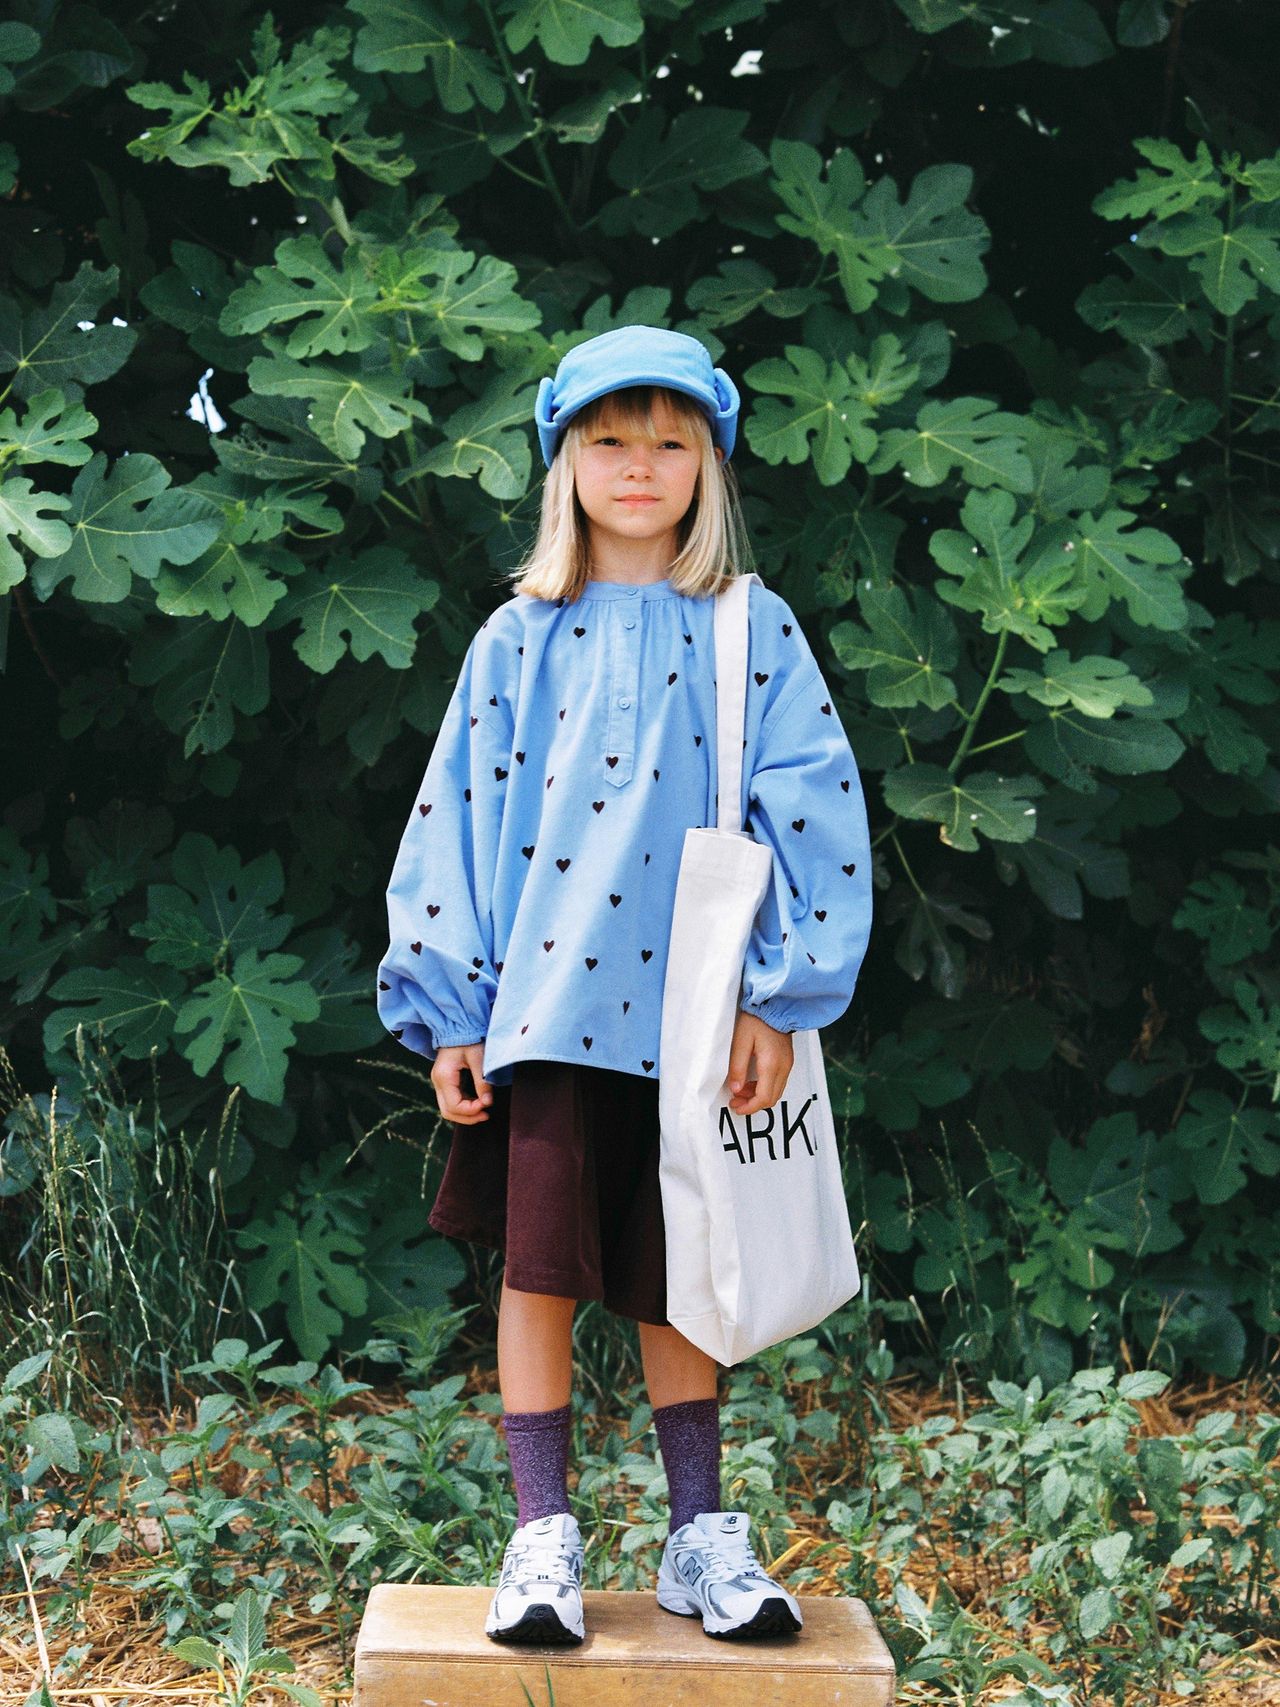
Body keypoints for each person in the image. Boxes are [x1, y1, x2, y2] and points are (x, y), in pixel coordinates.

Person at [376, 325, 873, 1645]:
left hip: (691, 1021)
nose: (638, 465)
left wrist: (780, 994)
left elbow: (811, 814)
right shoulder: (517, 638)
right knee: (537, 1276)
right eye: (608, 439)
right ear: (565, 462)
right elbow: (456, 828)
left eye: (668, 440)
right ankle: (541, 1539)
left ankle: (699, 1538)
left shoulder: (748, 628)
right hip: (542, 1015)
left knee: (679, 1281)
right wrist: (451, 1010)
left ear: (710, 458)